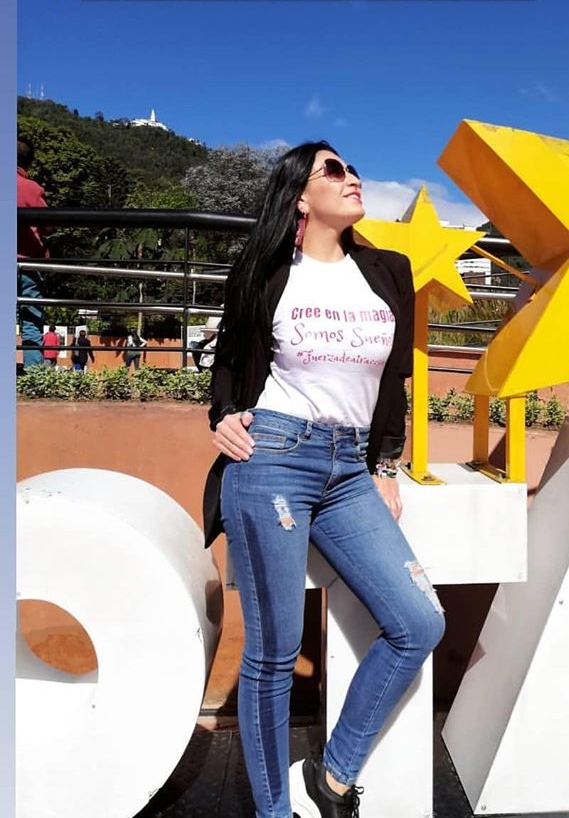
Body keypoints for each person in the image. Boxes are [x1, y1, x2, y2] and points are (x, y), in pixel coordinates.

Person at [203, 141, 444, 818]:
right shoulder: (264, 272)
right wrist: (222, 417)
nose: (352, 177)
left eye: (353, 167)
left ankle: (333, 774)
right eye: (332, 171)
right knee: (275, 653)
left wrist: (385, 463)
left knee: (419, 622)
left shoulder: (387, 271)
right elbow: (230, 360)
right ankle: (273, 811)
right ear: (300, 198)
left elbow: (394, 380)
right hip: (274, 457)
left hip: (350, 467)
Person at [17, 137, 52, 368]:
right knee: (31, 320)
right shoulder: (31, 188)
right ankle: (34, 375)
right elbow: (49, 225)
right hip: (28, 263)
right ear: (29, 162)